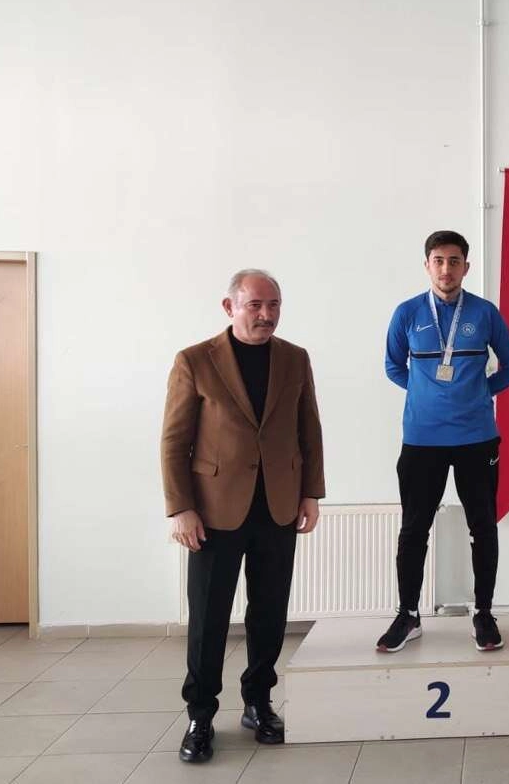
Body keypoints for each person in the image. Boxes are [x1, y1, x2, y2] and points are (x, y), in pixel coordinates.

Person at [161, 269, 325, 763]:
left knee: (269, 612)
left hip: (278, 506)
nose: (266, 314)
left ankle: (258, 702)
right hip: (213, 512)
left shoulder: (294, 358)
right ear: (229, 306)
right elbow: (174, 441)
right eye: (255, 305)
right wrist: (181, 507)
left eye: (274, 305)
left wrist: (310, 493)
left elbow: (309, 429)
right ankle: (200, 715)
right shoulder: (194, 360)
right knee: (209, 618)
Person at [378, 230, 509, 653]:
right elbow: (392, 365)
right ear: (427, 265)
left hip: (477, 437)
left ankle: (484, 613)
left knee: (483, 526)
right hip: (422, 439)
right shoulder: (407, 313)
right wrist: (426, 394)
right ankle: (408, 614)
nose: (446, 269)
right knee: (413, 529)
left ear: (466, 267)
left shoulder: (484, 312)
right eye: (439, 261)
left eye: (454, 261)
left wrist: (478, 393)